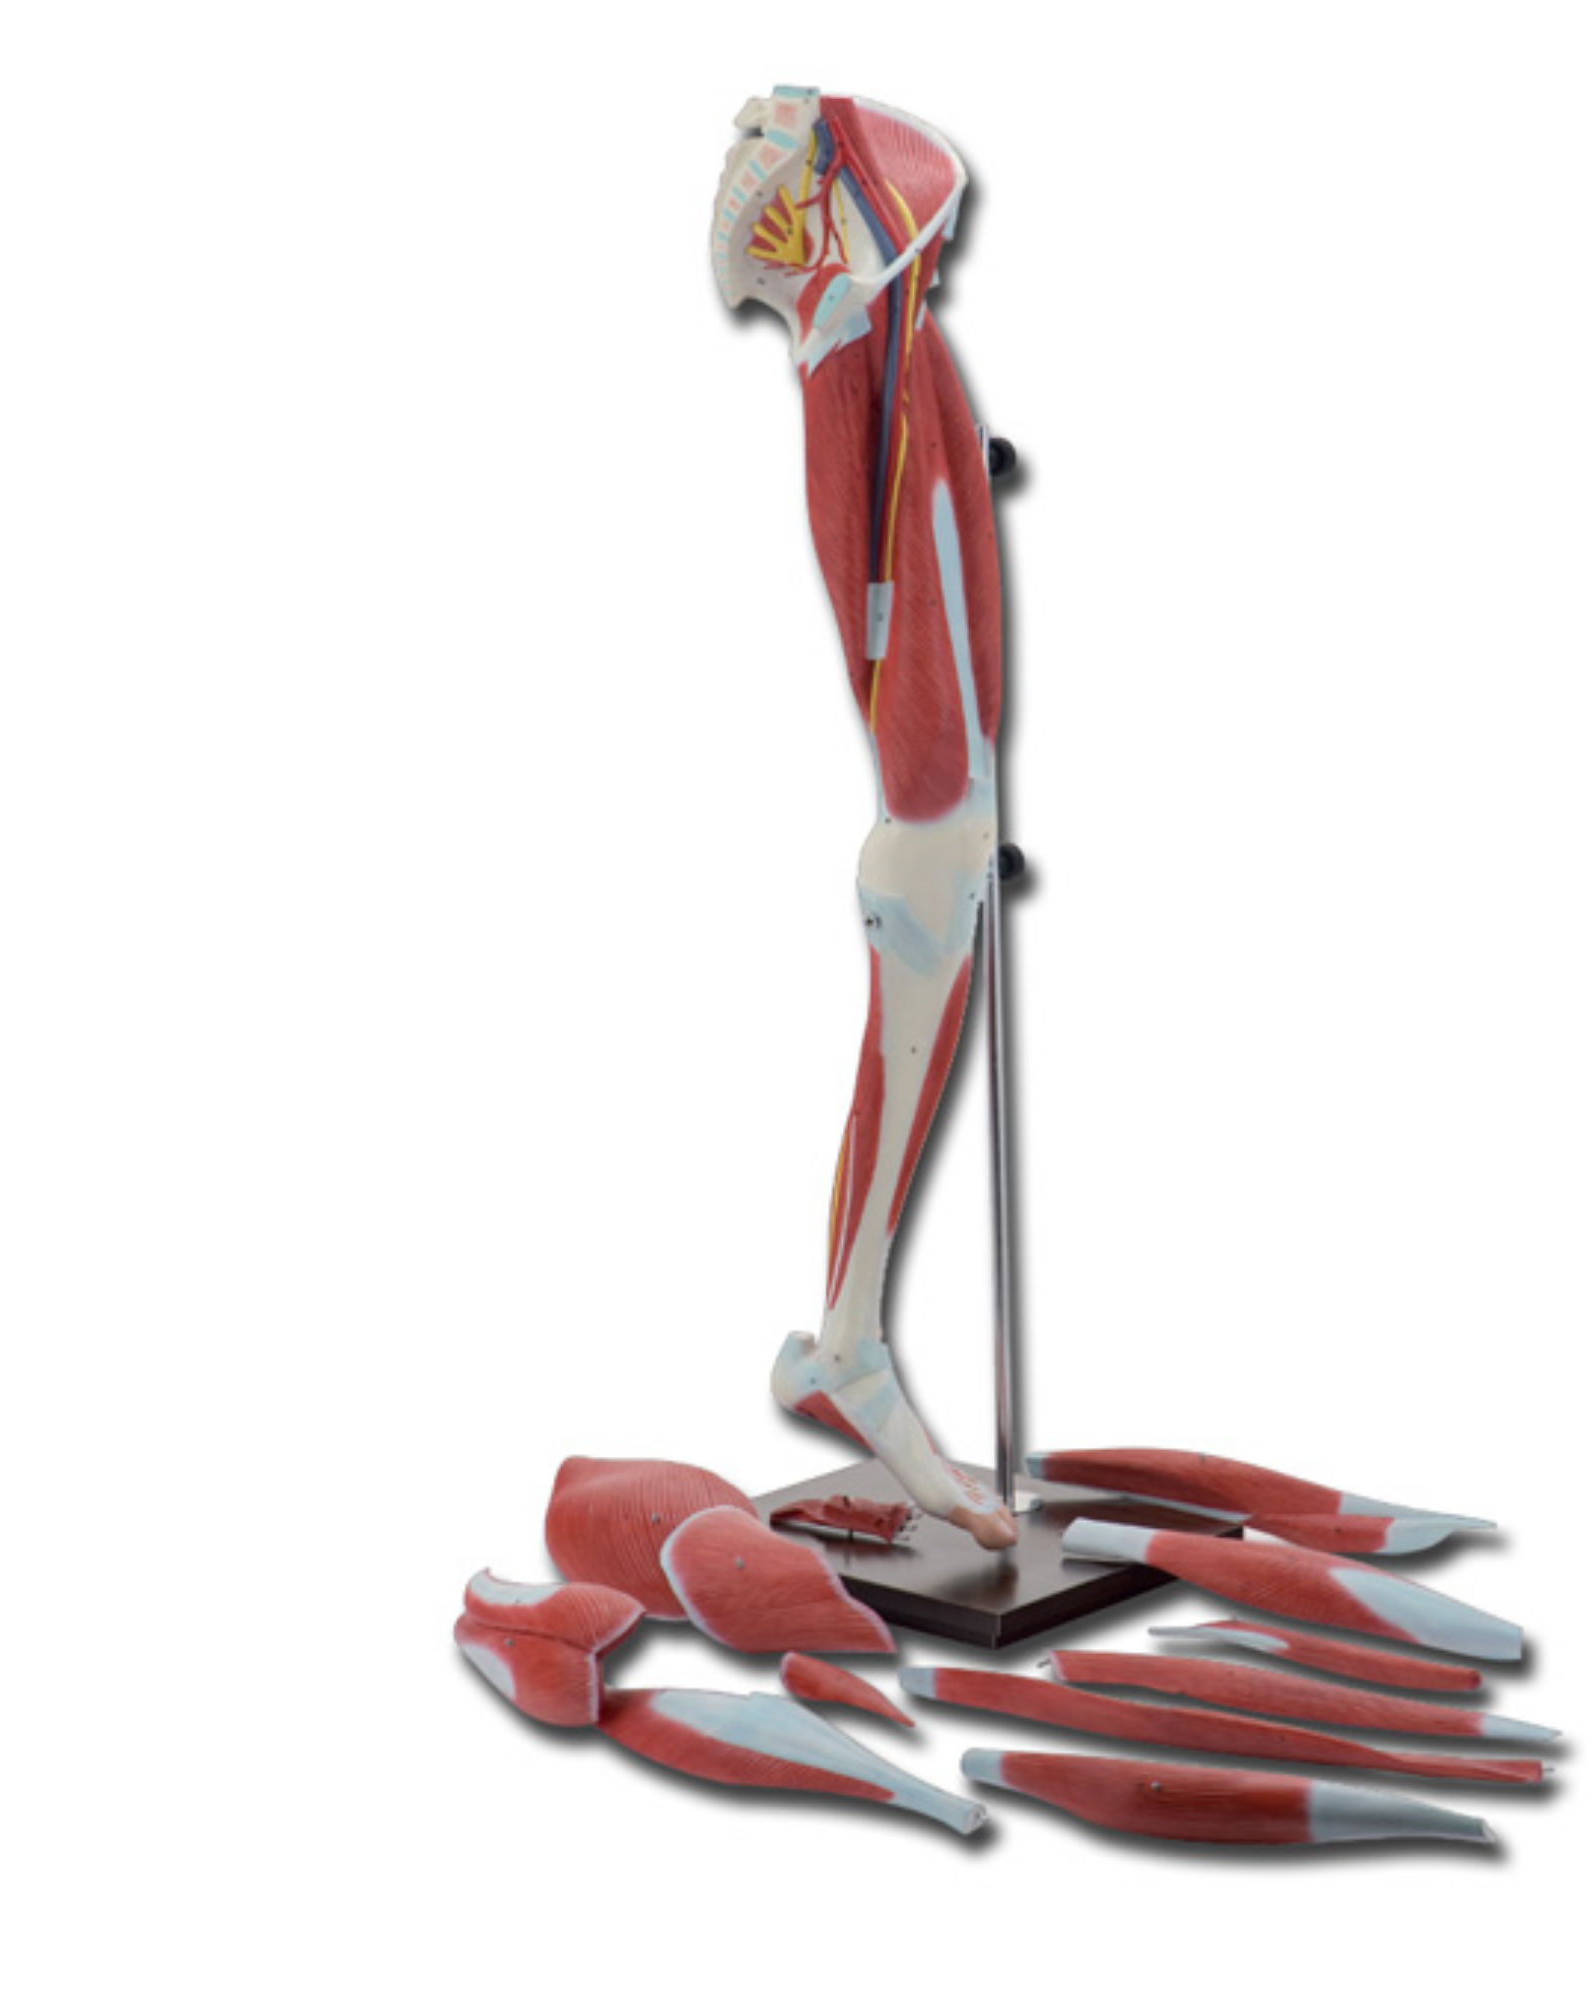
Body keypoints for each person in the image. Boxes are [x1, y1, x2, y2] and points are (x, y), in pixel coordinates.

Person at [713, 88, 1016, 1549]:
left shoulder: (878, 340)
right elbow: (886, 587)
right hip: (930, 798)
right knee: (930, 907)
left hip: (942, 795)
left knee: (932, 939)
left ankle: (843, 1341)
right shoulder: (852, 344)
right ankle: (846, 1341)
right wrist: (938, 780)